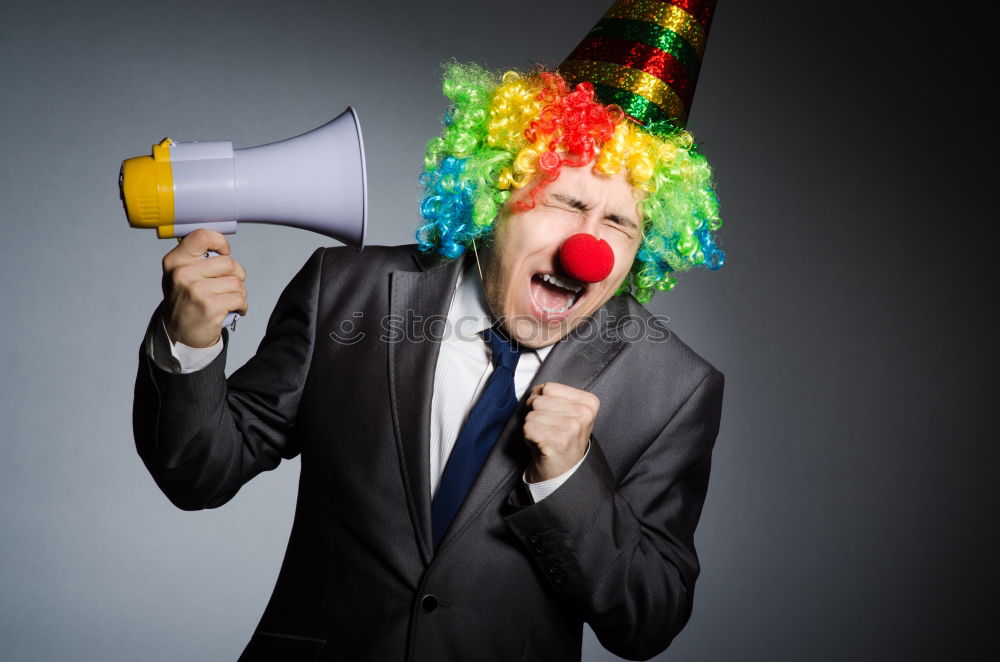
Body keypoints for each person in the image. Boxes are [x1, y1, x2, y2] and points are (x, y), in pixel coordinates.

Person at [134, 4, 725, 660]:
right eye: (567, 202)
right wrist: (189, 342)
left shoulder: (676, 387)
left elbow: (648, 620)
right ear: (493, 192)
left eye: (621, 223)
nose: (591, 247)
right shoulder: (346, 292)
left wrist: (570, 480)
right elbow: (199, 472)